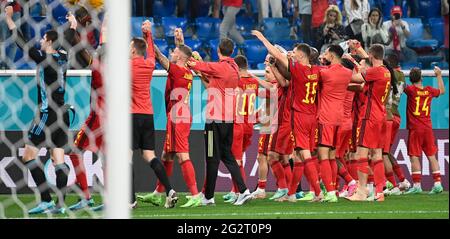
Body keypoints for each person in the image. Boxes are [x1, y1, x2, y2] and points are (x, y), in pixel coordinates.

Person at [5, 6, 71, 214]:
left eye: (43, 38)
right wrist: (72, 24)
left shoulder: (45, 60)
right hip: (64, 115)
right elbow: (65, 35)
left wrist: (8, 18)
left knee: (28, 156)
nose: (40, 41)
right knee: (58, 158)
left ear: (49, 43)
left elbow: (20, 40)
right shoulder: (63, 56)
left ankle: (46, 200)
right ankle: (60, 204)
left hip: (47, 115)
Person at [137, 28, 201, 208]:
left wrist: (148, 36)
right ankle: (159, 193)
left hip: (177, 116)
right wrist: (179, 42)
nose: (171, 53)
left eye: (174, 52)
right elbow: (183, 54)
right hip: (180, 114)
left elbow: (157, 56)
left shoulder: (178, 71)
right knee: (167, 155)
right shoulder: (186, 69)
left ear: (179, 57)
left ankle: (195, 194)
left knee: (182, 155)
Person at [187, 38, 252, 206]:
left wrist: (192, 59)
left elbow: (201, 67)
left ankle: (208, 197)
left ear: (218, 50)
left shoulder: (220, 67)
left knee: (211, 157)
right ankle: (244, 190)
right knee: (227, 156)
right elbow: (210, 72)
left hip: (214, 120)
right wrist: (200, 64)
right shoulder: (234, 68)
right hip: (228, 121)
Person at [130, 20, 178, 209]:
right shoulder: (149, 64)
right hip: (147, 115)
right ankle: (170, 190)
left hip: (131, 115)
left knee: (126, 158)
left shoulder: (126, 66)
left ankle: (130, 200)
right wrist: (148, 33)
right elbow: (150, 51)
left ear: (133, 51)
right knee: (149, 155)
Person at [347, 43, 392, 202]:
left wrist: (337, 72)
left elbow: (355, 77)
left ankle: (361, 191)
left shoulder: (375, 72)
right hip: (381, 116)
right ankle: (379, 192)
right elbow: (366, 72)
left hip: (369, 116)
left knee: (361, 154)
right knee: (377, 155)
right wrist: (357, 52)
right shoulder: (386, 72)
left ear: (372, 57)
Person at [315, 44, 353, 203]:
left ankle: (330, 192)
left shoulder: (324, 73)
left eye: (326, 53)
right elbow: (360, 79)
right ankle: (333, 190)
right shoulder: (348, 73)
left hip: (326, 117)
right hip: (339, 119)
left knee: (323, 156)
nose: (325, 55)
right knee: (331, 156)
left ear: (331, 55)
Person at [404, 67, 445, 195]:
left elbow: (399, 85)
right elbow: (442, 91)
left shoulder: (410, 90)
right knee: (431, 156)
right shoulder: (429, 91)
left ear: (410, 79)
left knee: (414, 156)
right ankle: (438, 183)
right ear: (422, 78)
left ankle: (417, 185)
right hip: (427, 128)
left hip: (415, 129)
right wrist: (438, 75)